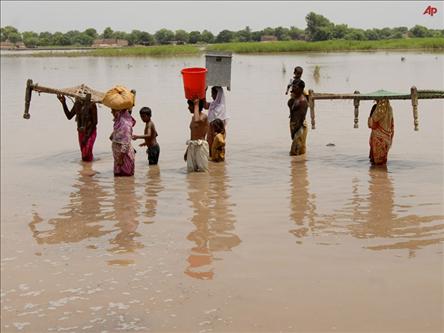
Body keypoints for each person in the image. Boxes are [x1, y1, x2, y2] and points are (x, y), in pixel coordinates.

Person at [57, 94, 97, 162]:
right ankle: (87, 168)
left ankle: (89, 169)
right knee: (84, 154)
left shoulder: (92, 105)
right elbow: (69, 116)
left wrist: (86, 136)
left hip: (90, 131)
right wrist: (63, 103)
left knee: (87, 152)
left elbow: (95, 122)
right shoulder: (77, 104)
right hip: (81, 133)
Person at [184, 99, 209, 172]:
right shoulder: (193, 118)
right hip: (192, 145)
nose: (188, 108)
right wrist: (188, 150)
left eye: (190, 105)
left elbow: (197, 121)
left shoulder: (203, 117)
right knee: (191, 171)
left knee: (203, 171)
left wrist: (196, 104)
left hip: (201, 146)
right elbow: (192, 136)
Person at [110, 108, 136, 176]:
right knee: (119, 182)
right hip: (118, 158)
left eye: (113, 110)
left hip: (124, 158)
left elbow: (126, 143)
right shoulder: (119, 122)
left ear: (118, 111)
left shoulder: (125, 124)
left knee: (126, 181)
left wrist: (121, 158)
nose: (111, 112)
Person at [368, 99, 394, 165]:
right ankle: (382, 174)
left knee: (376, 162)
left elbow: (371, 124)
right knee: (382, 161)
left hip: (377, 138)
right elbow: (392, 124)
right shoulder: (390, 109)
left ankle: (376, 174)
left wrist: (371, 117)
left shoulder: (377, 109)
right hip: (387, 138)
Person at [203, 86, 228, 157]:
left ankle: (217, 166)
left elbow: (220, 125)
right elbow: (204, 105)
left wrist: (215, 133)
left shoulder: (221, 107)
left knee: (217, 151)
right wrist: (204, 91)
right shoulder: (213, 105)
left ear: (218, 94)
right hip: (210, 131)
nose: (211, 95)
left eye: (213, 93)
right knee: (210, 151)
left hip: (217, 133)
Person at [287, 79, 308, 156]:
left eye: (295, 87)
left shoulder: (302, 101)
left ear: (300, 89)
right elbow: (291, 108)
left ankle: (299, 167)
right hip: (295, 126)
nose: (293, 89)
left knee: (294, 153)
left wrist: (294, 132)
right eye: (293, 87)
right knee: (297, 152)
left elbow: (301, 119)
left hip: (299, 128)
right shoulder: (295, 98)